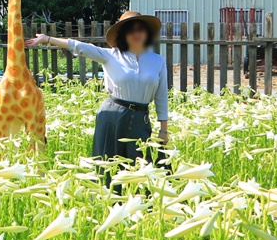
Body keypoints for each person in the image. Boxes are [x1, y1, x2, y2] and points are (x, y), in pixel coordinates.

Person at [24, 11, 169, 176]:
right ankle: (107, 198)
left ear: (147, 32)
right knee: (108, 164)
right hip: (112, 115)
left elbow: (161, 97)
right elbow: (78, 46)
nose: (136, 34)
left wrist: (164, 130)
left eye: (140, 29)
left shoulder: (157, 61)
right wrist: (47, 39)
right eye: (130, 30)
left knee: (142, 164)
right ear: (123, 35)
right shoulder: (111, 55)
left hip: (140, 118)